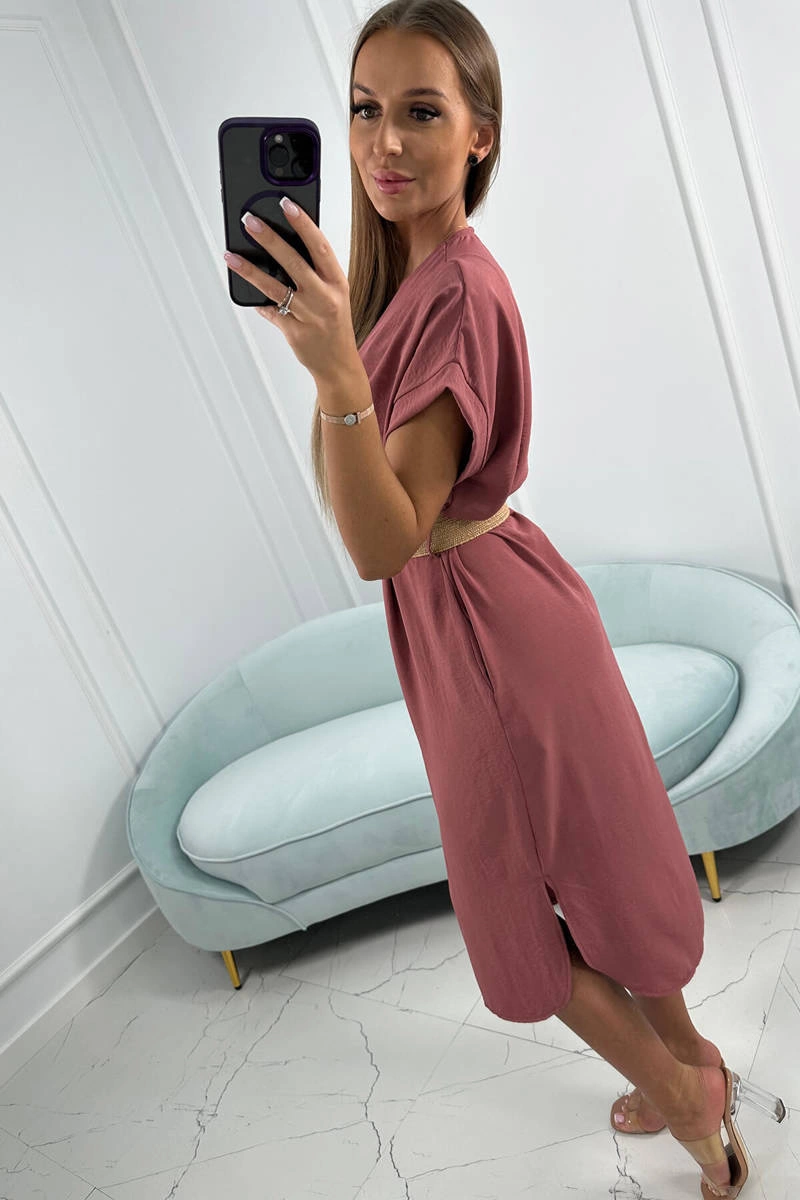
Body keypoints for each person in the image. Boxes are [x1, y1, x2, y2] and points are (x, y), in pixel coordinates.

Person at [225, 2, 785, 1194]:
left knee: (515, 901)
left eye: (421, 112)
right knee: (590, 852)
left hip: (483, 626)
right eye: (364, 110)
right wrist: (336, 347)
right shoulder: (411, 280)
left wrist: (332, 377)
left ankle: (687, 1101)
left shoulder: (455, 297)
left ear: (479, 132)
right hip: (492, 605)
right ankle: (688, 1055)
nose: (384, 142)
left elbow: (383, 542)